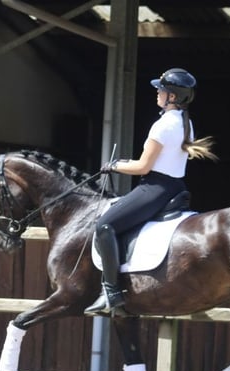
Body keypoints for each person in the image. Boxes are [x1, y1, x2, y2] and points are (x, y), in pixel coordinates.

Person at [84, 67, 217, 316]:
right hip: (175, 186)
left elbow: (143, 166)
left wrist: (115, 165)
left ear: (172, 97)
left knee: (104, 226)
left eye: (162, 89)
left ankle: (111, 293)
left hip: (155, 188)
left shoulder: (162, 126)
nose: (157, 92)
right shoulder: (185, 122)